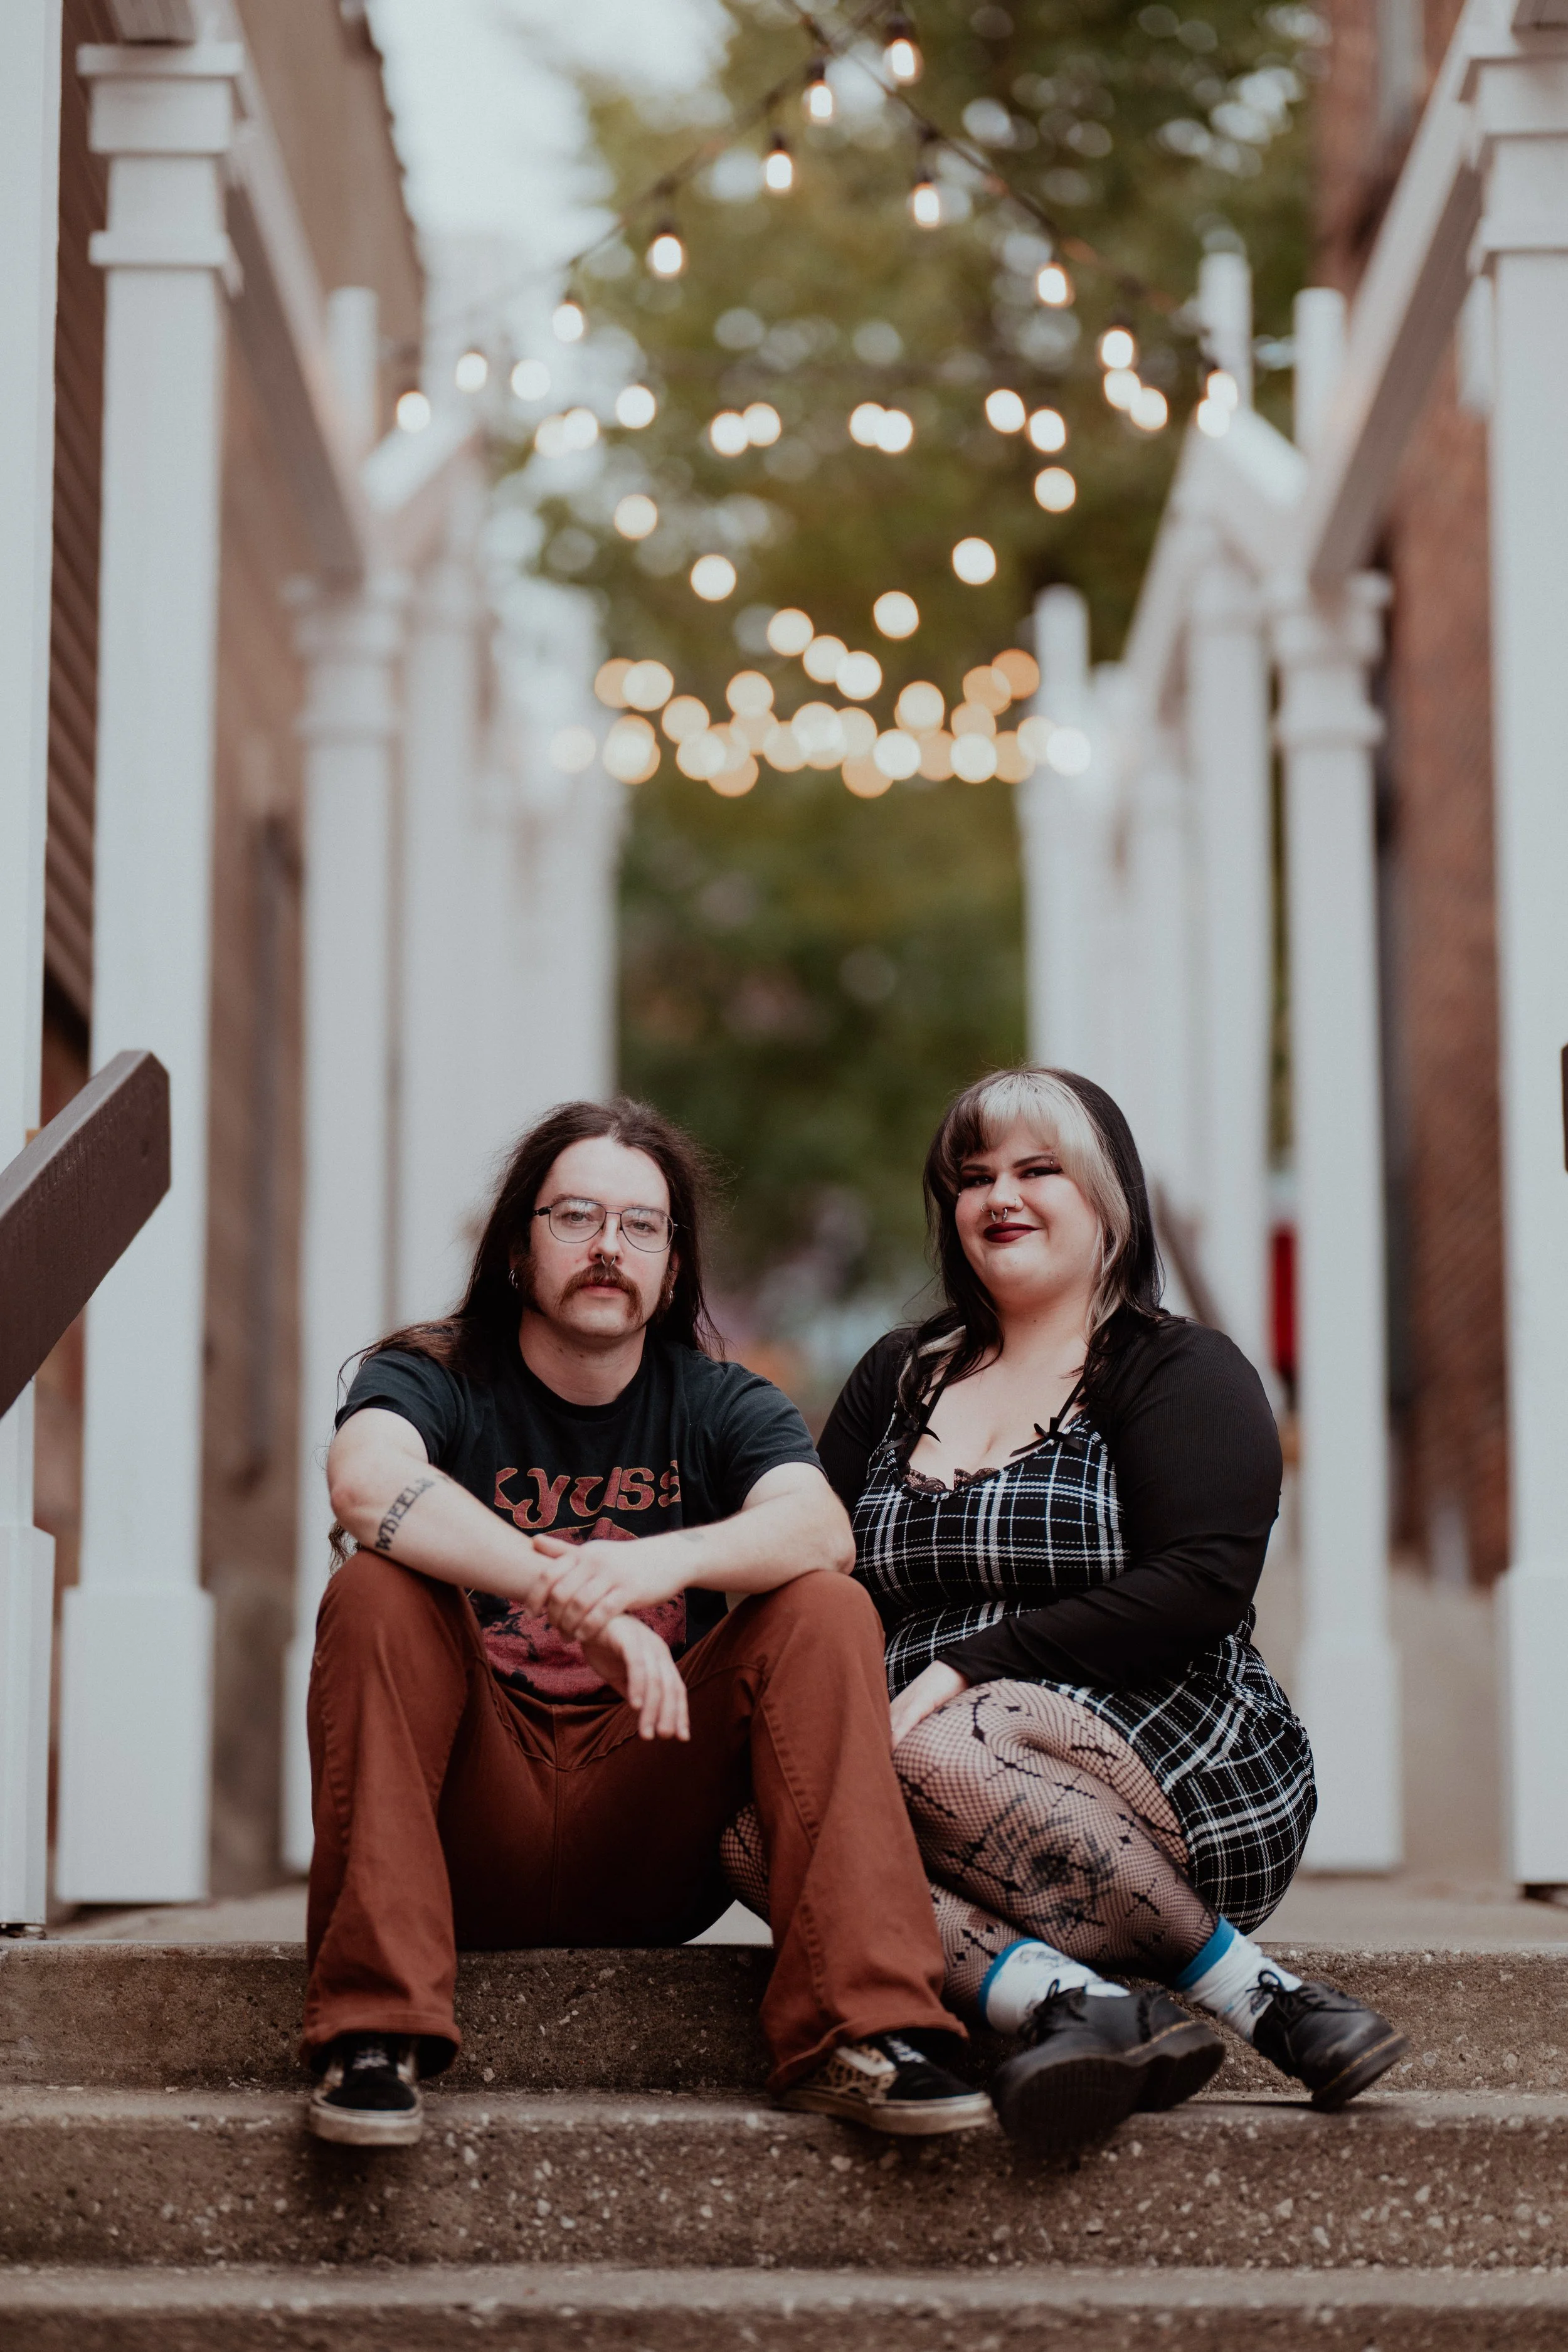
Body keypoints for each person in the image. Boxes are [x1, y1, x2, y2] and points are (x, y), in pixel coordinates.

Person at [724, 1066, 1406, 2155]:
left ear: (1109, 1199)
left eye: (1039, 1169)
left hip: (1174, 1745)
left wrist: (966, 1664)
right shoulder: (898, 1377)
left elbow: (1201, 1585)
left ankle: (1254, 1990)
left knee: (942, 1742)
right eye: (974, 1176)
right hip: (919, 1761)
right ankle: (1075, 2004)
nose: (1001, 1196)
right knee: (758, 1838)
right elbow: (817, 1553)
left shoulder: (1178, 1367)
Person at [301, 1095, 988, 2149]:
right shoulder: (436, 1376)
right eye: (575, 1216)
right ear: (519, 1248)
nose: (607, 1247)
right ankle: (370, 2034)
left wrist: (651, 1565)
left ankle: (869, 2030)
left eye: (641, 1225)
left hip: (649, 1820)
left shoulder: (720, 1402)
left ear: (673, 1268)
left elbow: (820, 1530)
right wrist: (566, 1597)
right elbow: (365, 1482)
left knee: (823, 1605)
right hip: (466, 1824)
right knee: (374, 1588)